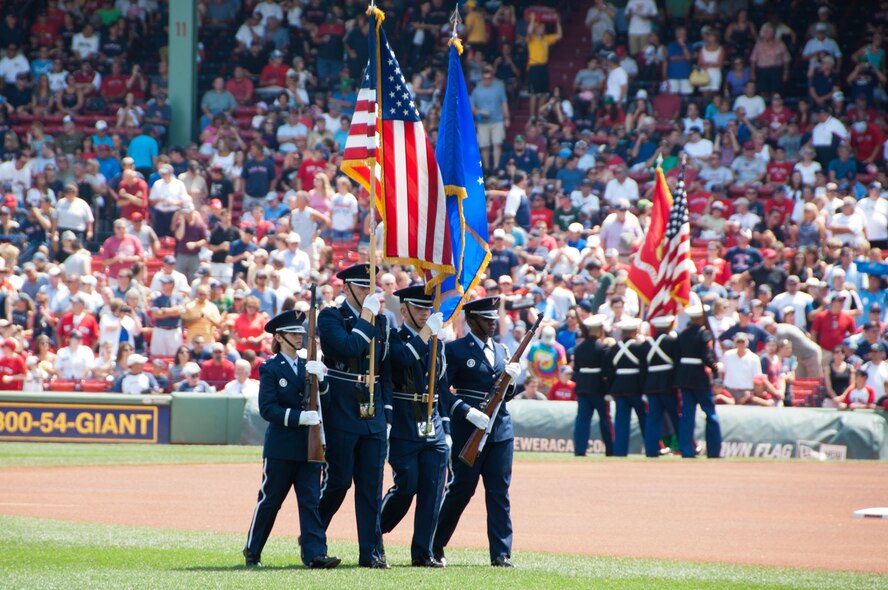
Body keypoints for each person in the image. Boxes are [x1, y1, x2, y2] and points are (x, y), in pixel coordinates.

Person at [243, 309, 340, 569]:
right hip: (282, 447)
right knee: (271, 500)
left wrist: (322, 379)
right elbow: (268, 409)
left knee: (310, 502)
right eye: (293, 334)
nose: (299, 338)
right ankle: (253, 550)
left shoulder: (309, 365)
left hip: (310, 446)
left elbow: (327, 403)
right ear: (279, 337)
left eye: (301, 334)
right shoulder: (270, 368)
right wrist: (299, 417)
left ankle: (315, 554)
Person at [433, 296, 521, 568]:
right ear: (471, 320)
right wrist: (465, 410)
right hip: (468, 431)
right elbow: (441, 390)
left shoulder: (502, 350)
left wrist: (512, 383)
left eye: (494, 319)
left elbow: (504, 397)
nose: (492, 324)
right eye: (486, 319)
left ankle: (501, 553)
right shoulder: (455, 350)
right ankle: (434, 545)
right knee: (461, 490)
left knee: (498, 492)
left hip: (500, 431)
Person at [317, 264, 392, 568]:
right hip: (342, 409)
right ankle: (313, 536)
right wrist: (366, 319)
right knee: (338, 482)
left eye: (369, 287)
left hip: (372, 411)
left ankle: (371, 552)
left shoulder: (382, 321)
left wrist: (387, 411)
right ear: (346, 288)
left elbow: (383, 369)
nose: (367, 292)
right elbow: (349, 348)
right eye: (361, 287)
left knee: (371, 485)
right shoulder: (331, 316)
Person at [380, 285, 448, 568]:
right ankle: (376, 532)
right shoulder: (394, 339)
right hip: (405, 423)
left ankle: (423, 552)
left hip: (432, 423)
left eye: (427, 309)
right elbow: (403, 359)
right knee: (407, 486)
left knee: (433, 491)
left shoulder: (436, 342)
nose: (424, 313)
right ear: (404, 310)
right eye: (419, 309)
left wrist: (447, 427)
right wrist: (426, 334)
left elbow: (441, 387)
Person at [675, 306, 721, 458]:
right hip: (700, 379)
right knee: (710, 414)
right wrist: (715, 368)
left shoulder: (682, 335)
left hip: (684, 378)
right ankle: (714, 451)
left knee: (687, 416)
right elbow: (707, 356)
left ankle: (686, 450)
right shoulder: (705, 334)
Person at [572, 314, 613, 456]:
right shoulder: (603, 348)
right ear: (600, 329)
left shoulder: (578, 348)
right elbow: (607, 372)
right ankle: (610, 449)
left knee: (582, 420)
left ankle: (579, 449)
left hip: (583, 387)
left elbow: (576, 370)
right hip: (598, 388)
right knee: (605, 419)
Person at [640, 315, 680, 458]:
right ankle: (683, 447)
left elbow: (643, 368)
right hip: (668, 384)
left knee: (653, 418)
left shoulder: (646, 344)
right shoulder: (672, 342)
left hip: (651, 385)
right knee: (675, 417)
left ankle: (651, 450)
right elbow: (676, 364)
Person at [605, 317, 645, 456]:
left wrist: (610, 389)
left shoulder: (614, 348)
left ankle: (620, 450)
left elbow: (609, 372)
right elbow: (643, 369)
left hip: (619, 387)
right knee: (644, 419)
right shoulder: (639, 347)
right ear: (634, 331)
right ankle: (652, 448)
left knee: (621, 421)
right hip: (636, 387)